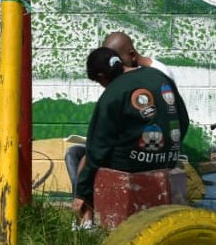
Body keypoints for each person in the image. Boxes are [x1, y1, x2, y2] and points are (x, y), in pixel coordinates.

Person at [71, 47, 190, 227]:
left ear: (102, 76)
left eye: (98, 81)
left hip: (129, 163)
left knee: (82, 158)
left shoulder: (113, 93)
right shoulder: (160, 77)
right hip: (167, 160)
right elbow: (184, 120)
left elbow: (98, 146)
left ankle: (85, 224)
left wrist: (82, 192)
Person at [65, 31, 177, 197]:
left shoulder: (119, 88)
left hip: (135, 158)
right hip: (160, 154)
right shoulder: (157, 75)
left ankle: (85, 214)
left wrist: (83, 193)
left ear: (130, 56)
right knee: (79, 153)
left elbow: (101, 143)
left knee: (84, 158)